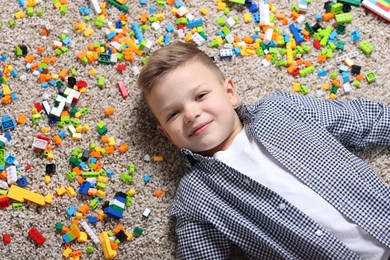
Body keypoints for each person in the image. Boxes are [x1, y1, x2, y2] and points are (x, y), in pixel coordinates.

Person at [137, 42, 390, 259]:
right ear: (166, 134)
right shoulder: (195, 196)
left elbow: (363, 120)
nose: (191, 114)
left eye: (201, 95)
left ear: (230, 93)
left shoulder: (280, 109)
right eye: (173, 114)